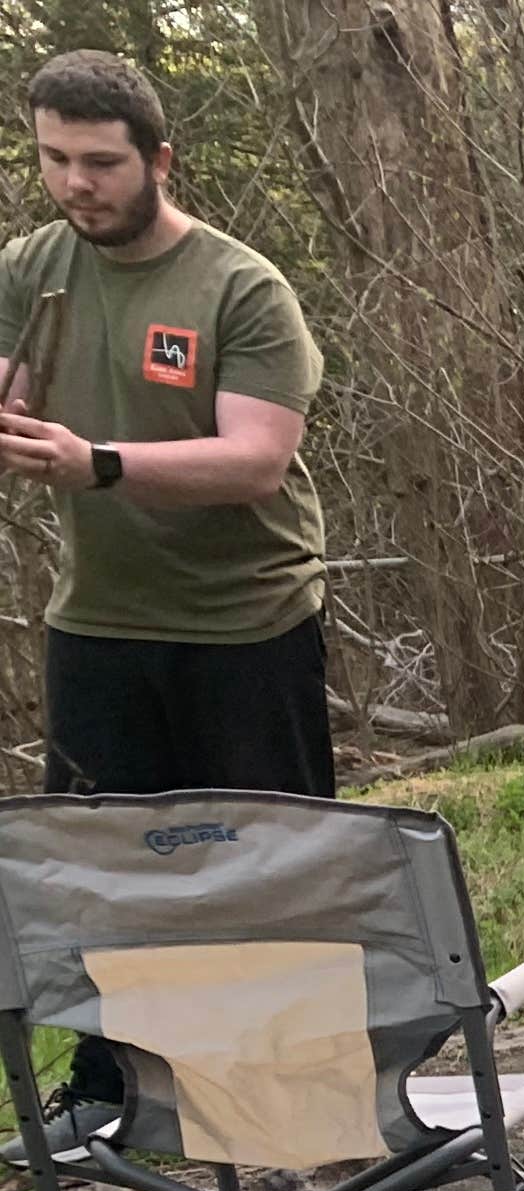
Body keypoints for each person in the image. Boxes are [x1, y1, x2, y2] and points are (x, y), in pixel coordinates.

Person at [0, 49, 331, 798]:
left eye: (101, 162)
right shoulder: (29, 266)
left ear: (159, 162)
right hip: (96, 621)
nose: (76, 183)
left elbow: (256, 461)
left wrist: (99, 464)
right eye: (55, 158)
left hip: (246, 625)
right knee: (101, 873)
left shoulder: (242, 288)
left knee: (269, 866)